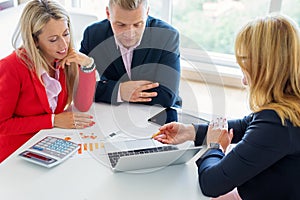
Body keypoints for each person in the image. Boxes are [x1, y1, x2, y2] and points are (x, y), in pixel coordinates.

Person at [154, 14, 300, 199]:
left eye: (246, 67)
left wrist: (214, 146)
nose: (244, 80)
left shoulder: (278, 124)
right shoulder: (289, 106)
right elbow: (247, 124)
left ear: (266, 68)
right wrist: (190, 131)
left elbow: (211, 184)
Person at [0, 0, 97, 163]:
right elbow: (2, 124)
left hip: (48, 144)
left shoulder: (63, 58)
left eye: (66, 34)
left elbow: (82, 106)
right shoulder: (10, 67)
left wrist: (88, 65)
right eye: (53, 39)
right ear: (35, 41)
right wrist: (53, 120)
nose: (64, 45)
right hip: (15, 156)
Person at [80, 0, 181, 108]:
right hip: (110, 110)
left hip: (157, 113)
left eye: (137, 24)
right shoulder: (93, 34)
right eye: (121, 25)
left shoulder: (167, 36)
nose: (130, 33)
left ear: (147, 12)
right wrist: (120, 90)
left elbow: (167, 96)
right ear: (108, 14)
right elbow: (78, 86)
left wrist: (109, 89)